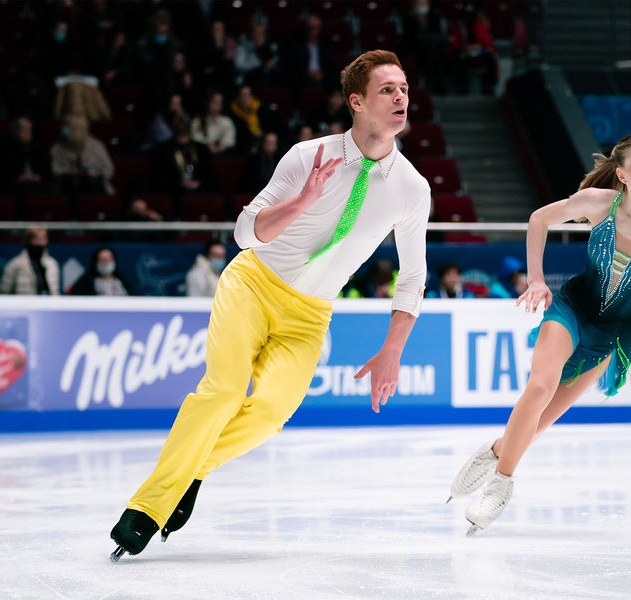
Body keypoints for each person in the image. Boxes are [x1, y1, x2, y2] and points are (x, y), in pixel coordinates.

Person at [109, 49, 430, 561]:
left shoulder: (412, 189)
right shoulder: (308, 156)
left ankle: (191, 472)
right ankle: (147, 508)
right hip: (253, 285)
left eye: (404, 89)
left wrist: (392, 350)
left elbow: (413, 277)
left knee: (271, 411)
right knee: (223, 391)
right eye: (387, 89)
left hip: (309, 315)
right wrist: (303, 200)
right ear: (356, 102)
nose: (400, 98)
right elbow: (244, 233)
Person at [448, 132, 631, 534]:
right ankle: (501, 483)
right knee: (539, 388)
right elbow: (539, 219)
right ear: (621, 174)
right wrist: (536, 279)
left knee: (541, 422)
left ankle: (497, 451)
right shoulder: (598, 204)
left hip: (609, 336)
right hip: (572, 309)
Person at [50, 114, 115, 196]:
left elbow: (108, 169)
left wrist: (94, 173)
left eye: (67, 128)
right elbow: (54, 171)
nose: (64, 130)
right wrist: (70, 172)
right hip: (67, 189)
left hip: (95, 188)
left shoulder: (96, 146)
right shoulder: (58, 148)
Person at [0, 228, 60, 295]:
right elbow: (4, 292)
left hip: (48, 301)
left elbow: (55, 291)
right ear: (28, 240)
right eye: (35, 238)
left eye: (43, 238)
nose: (39, 242)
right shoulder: (15, 264)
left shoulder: (52, 264)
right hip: (23, 301)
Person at [190, 90, 236, 156]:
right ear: (208, 103)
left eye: (220, 102)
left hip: (223, 156)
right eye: (215, 102)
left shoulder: (227, 121)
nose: (218, 105)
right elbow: (195, 138)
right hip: (202, 154)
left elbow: (229, 138)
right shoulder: (197, 121)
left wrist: (221, 147)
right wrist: (208, 145)